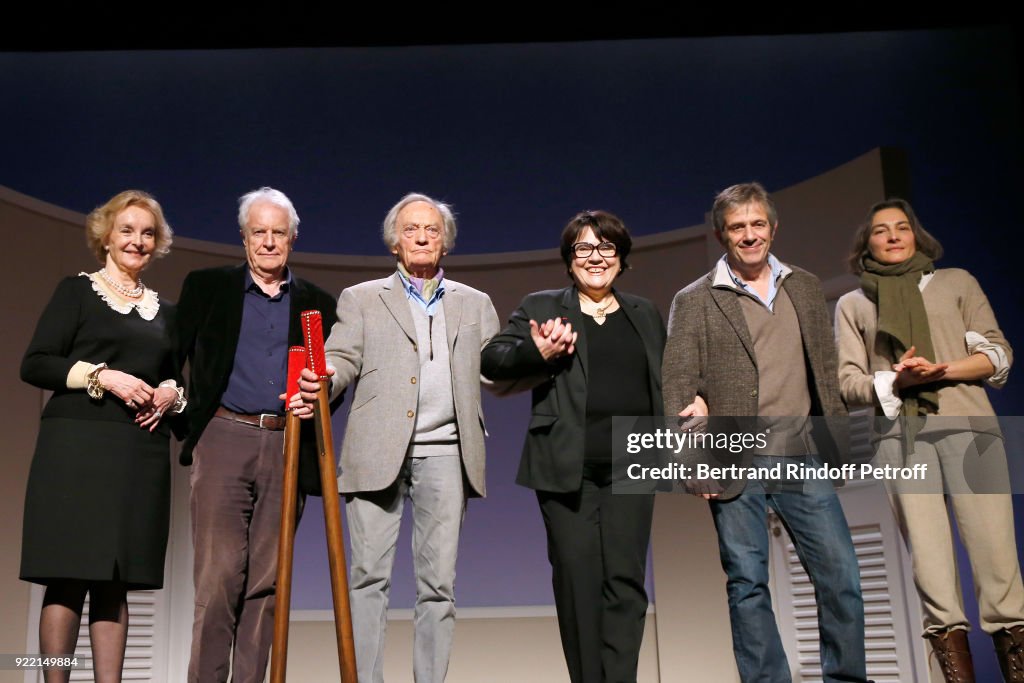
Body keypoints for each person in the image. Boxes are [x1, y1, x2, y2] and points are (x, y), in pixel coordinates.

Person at [662, 182, 867, 683]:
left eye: (757, 224)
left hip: (801, 454)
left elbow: (823, 368)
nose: (749, 235)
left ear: (773, 228)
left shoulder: (805, 286)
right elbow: (679, 387)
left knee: (840, 576)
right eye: (737, 227)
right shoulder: (694, 300)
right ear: (721, 234)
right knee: (748, 584)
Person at [293, 192, 499, 683]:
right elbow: (341, 359)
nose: (423, 237)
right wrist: (323, 380)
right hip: (376, 452)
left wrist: (539, 354)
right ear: (394, 243)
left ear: (445, 242)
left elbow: (497, 367)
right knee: (366, 579)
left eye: (432, 229)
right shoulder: (362, 298)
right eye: (411, 230)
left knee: (438, 586)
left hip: (448, 453)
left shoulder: (476, 303)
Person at [835, 197, 1024, 682]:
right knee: (932, 569)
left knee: (998, 560)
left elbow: (998, 354)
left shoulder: (957, 282)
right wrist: (896, 381)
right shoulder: (854, 304)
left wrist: (942, 371)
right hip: (902, 438)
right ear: (866, 244)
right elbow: (849, 383)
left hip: (971, 430)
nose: (894, 236)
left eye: (903, 227)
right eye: (881, 230)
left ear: (917, 236)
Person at [479, 210, 664, 683]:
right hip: (566, 467)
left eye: (607, 248)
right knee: (578, 585)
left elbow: (666, 381)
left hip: (633, 464)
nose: (596, 258)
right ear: (569, 259)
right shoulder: (542, 306)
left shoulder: (644, 313)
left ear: (622, 259)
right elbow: (493, 360)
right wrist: (536, 352)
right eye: (583, 248)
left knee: (626, 583)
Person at [175, 187, 338, 683]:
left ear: (293, 238)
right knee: (219, 577)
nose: (269, 242)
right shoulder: (207, 287)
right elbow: (170, 359)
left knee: (267, 585)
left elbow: (332, 381)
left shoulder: (316, 304)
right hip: (224, 436)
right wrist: (191, 427)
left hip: (288, 444)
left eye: (278, 233)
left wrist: (318, 400)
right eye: (258, 232)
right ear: (244, 238)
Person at [20, 190, 183, 683]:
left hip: (138, 454)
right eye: (127, 230)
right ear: (106, 237)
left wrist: (171, 392)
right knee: (68, 578)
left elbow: (176, 377)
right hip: (76, 451)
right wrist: (102, 376)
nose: (137, 240)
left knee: (115, 584)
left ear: (157, 244)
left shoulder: (167, 312)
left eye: (147, 232)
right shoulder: (76, 292)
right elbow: (36, 363)